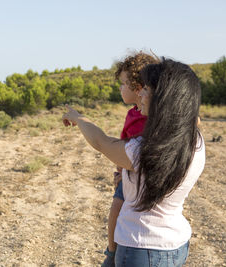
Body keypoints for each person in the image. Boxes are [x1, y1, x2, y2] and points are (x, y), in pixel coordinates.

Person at [62, 58, 205, 266]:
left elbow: (101, 142)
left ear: (163, 98)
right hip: (177, 244)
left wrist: (79, 118)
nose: (141, 94)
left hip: (141, 249)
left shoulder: (145, 150)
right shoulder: (196, 141)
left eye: (147, 89)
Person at [102, 52, 158, 267]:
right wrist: (120, 173)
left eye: (124, 83)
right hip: (128, 169)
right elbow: (123, 145)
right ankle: (112, 250)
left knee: (118, 208)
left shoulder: (152, 115)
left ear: (138, 87)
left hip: (143, 173)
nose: (120, 88)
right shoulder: (132, 113)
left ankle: (112, 254)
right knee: (117, 207)